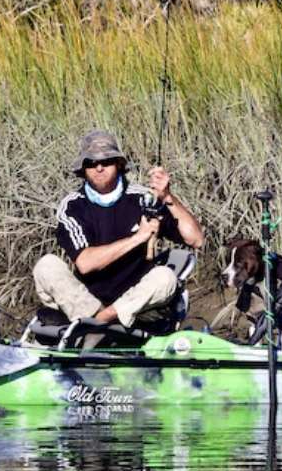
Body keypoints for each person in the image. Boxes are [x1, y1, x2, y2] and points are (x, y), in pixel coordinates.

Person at [33, 130, 204, 330]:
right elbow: (85, 263)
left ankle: (100, 321)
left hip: (134, 300)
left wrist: (167, 197)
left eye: (106, 161)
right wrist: (138, 238)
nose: (99, 168)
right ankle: (95, 317)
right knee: (46, 266)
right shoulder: (72, 206)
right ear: (83, 169)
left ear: (119, 164)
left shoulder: (143, 198)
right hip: (87, 301)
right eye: (91, 163)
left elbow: (196, 239)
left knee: (165, 278)